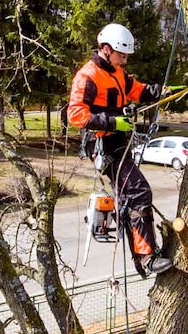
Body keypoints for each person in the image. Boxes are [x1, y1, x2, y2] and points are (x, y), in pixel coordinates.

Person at [67, 23, 173, 276]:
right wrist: (112, 122)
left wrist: (163, 91)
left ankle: (145, 255)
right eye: (121, 55)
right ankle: (146, 257)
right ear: (106, 49)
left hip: (119, 143)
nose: (124, 61)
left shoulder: (117, 73)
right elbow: (76, 114)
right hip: (103, 145)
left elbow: (138, 90)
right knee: (138, 193)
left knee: (132, 197)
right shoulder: (88, 76)